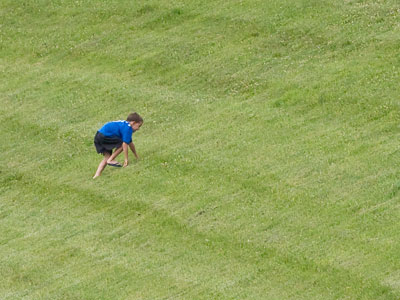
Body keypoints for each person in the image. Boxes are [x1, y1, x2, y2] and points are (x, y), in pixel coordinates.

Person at [93, 112, 143, 179]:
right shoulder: (128, 128)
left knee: (107, 157)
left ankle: (96, 175)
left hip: (99, 136)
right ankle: (111, 160)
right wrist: (126, 159)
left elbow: (131, 143)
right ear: (133, 123)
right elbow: (125, 144)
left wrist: (136, 155)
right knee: (122, 144)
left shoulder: (125, 125)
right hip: (105, 136)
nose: (138, 129)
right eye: (138, 126)